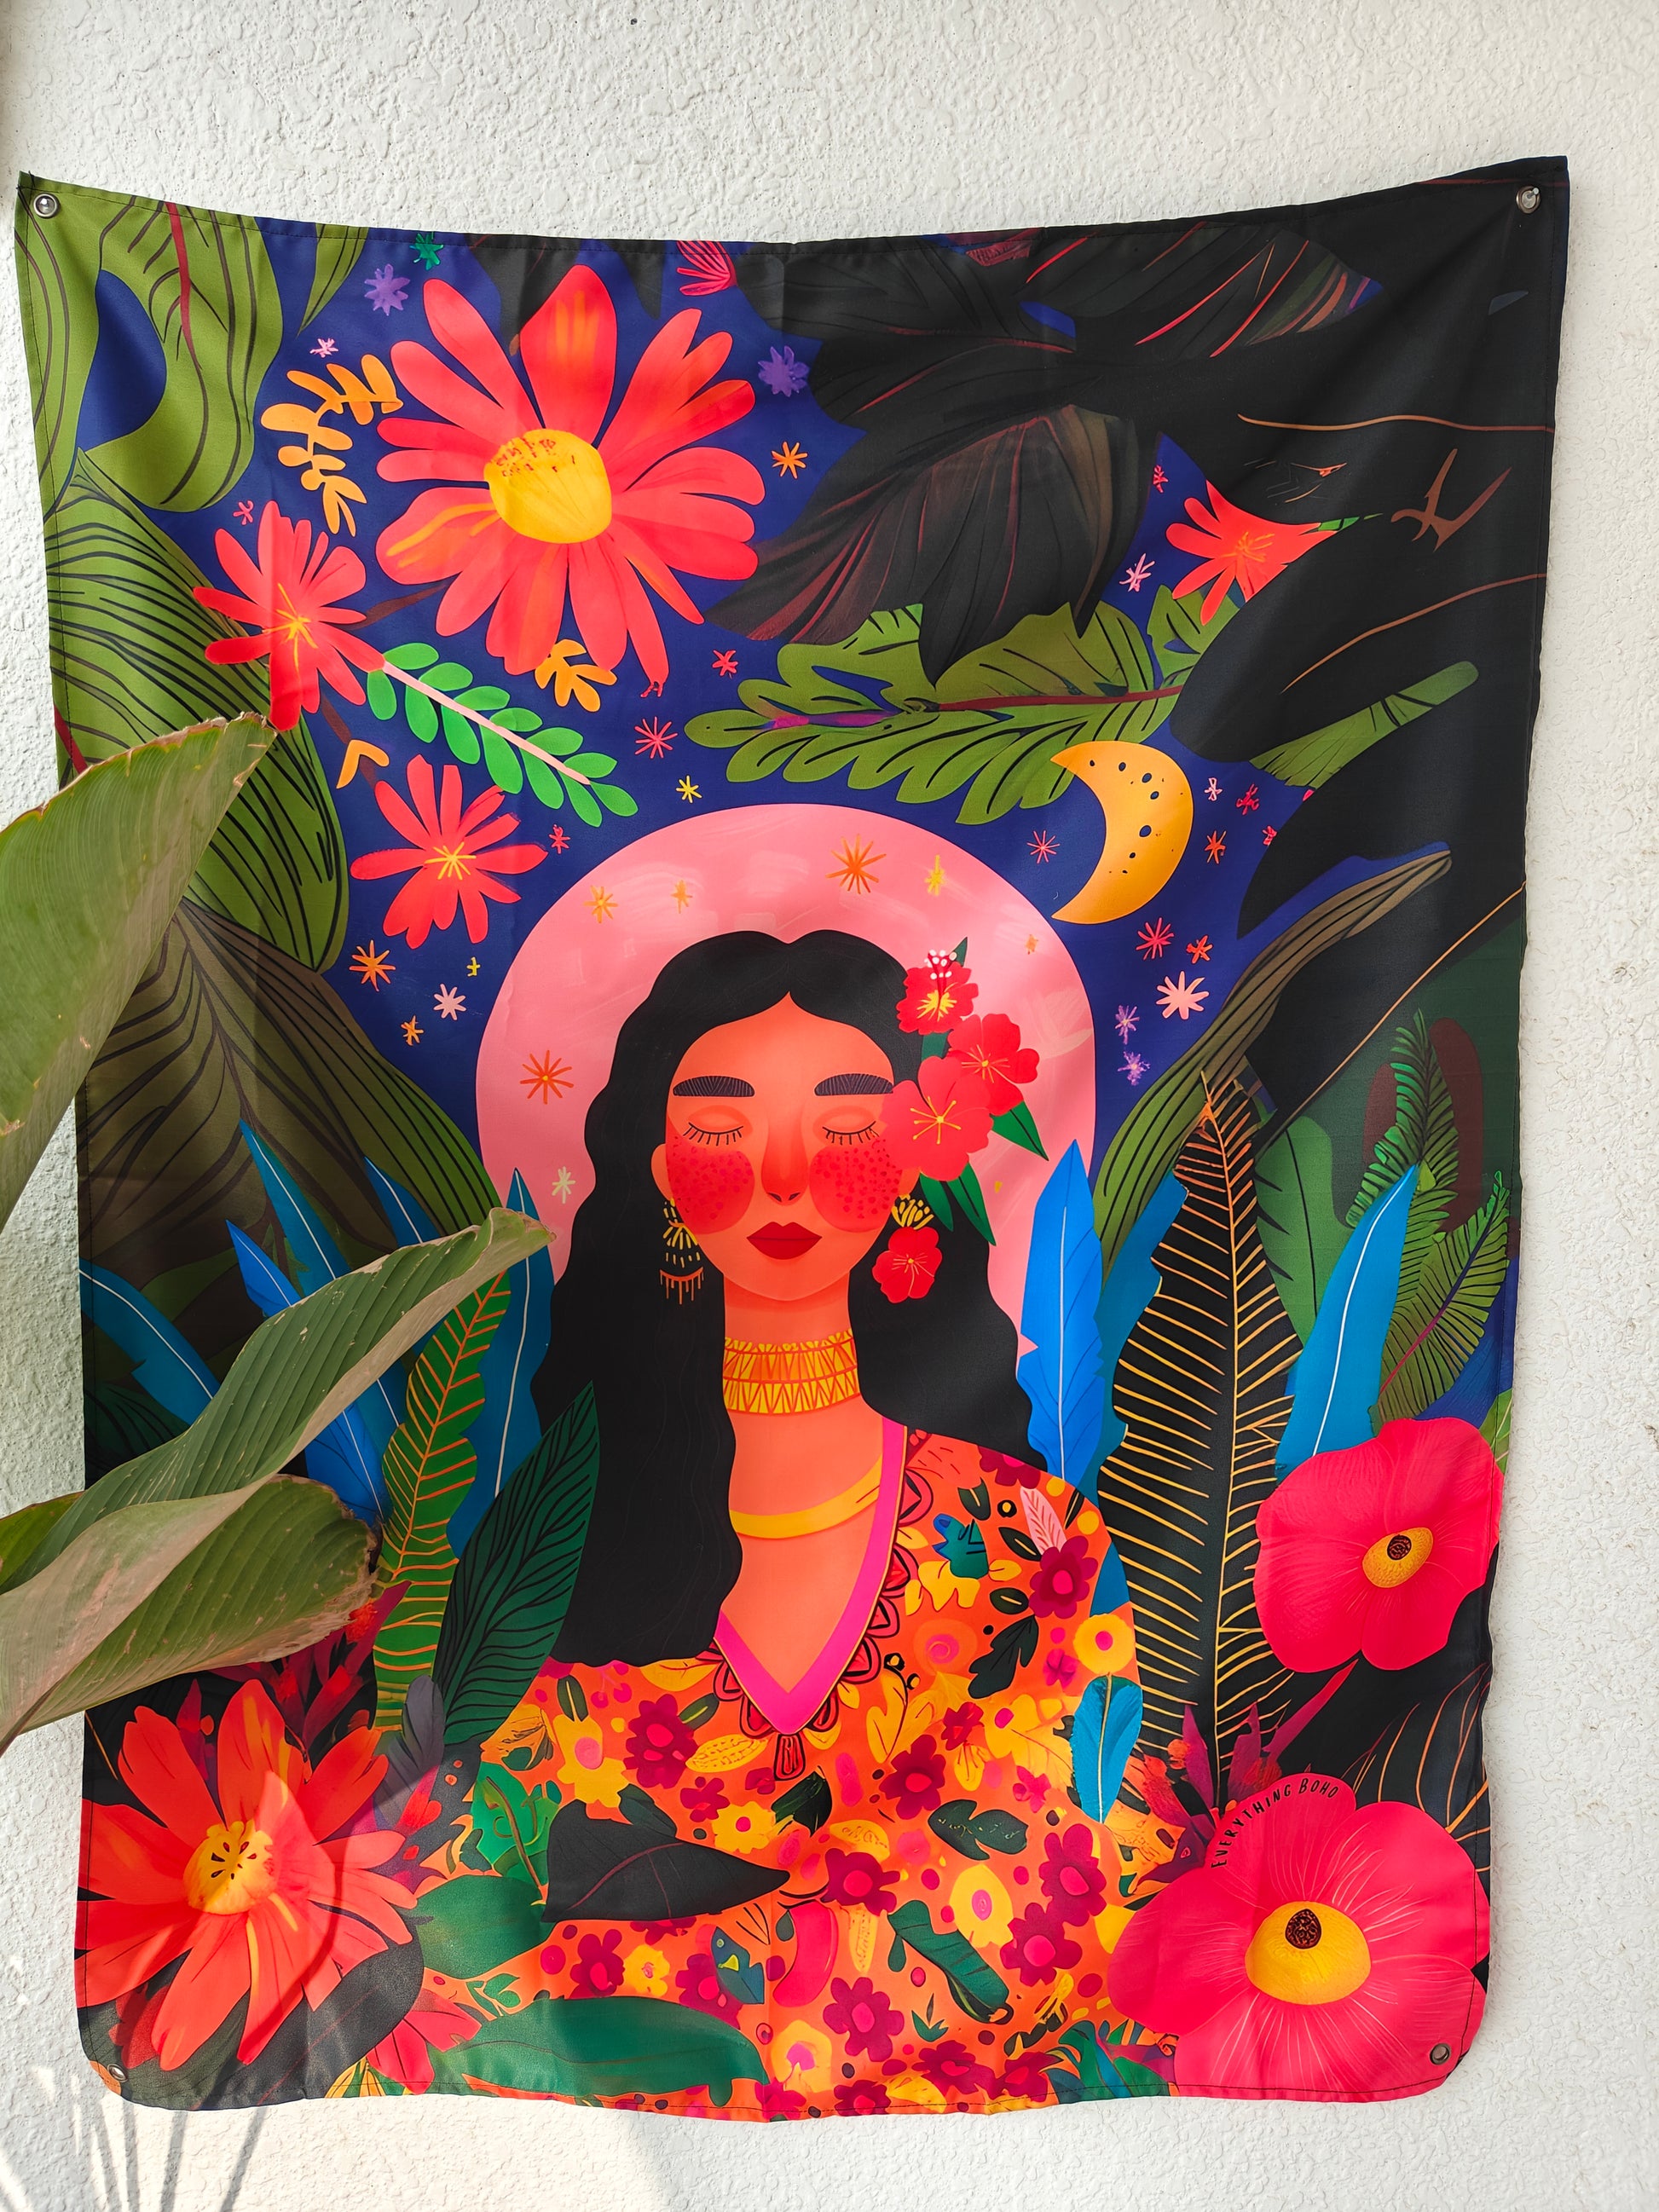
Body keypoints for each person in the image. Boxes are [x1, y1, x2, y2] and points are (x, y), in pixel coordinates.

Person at [510, 929, 1140, 2117]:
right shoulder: (540, 1531)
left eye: (847, 1126)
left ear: (914, 1161)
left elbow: (1098, 1891)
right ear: (655, 1166)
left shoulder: (1025, 1539)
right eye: (720, 1128)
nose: (786, 1174)